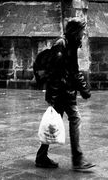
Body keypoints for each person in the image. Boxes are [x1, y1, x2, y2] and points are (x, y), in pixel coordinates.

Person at [35, 19, 95, 171]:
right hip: (62, 92)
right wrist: (53, 98)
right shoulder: (61, 44)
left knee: (52, 125)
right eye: (82, 30)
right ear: (75, 30)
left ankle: (42, 156)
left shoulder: (71, 43)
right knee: (74, 120)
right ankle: (78, 160)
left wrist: (83, 88)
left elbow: (73, 70)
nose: (83, 34)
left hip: (65, 92)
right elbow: (55, 72)